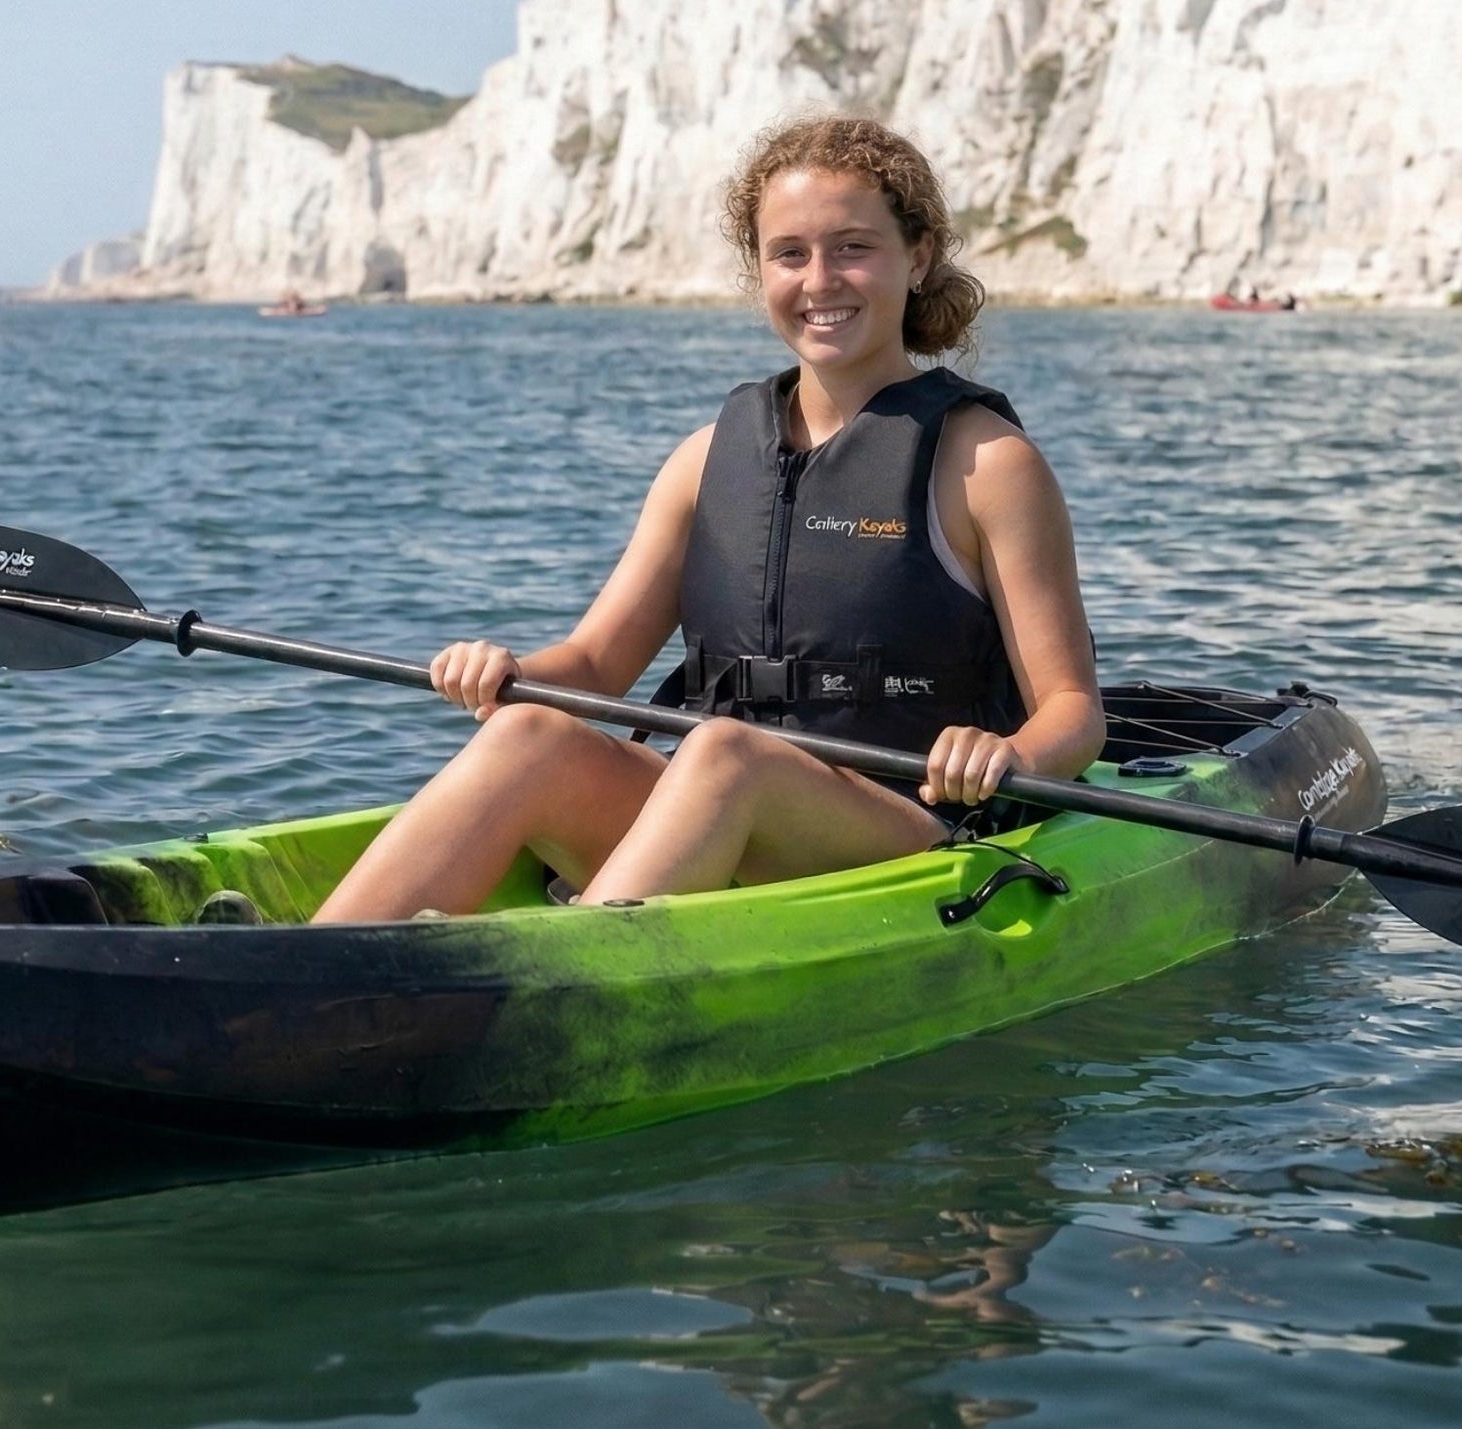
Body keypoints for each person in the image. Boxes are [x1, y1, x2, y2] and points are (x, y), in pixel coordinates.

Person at [314, 116, 1106, 923]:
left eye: (853, 248)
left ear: (919, 257)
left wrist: (1006, 754)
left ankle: (567, 979)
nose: (820, 279)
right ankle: (309, 969)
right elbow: (593, 668)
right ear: (758, 269)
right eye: (789, 253)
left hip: (910, 830)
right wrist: (504, 674)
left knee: (726, 753)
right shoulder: (704, 460)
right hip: (713, 811)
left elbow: (1074, 712)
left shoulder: (987, 464)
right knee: (527, 736)